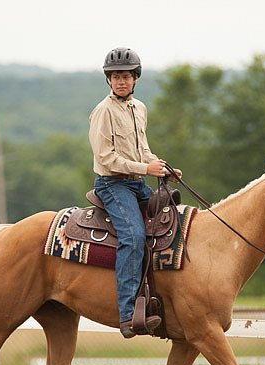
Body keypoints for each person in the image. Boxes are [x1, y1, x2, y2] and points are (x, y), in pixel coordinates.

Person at [89, 47, 181, 339]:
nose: (121, 82)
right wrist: (145, 168)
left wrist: (162, 167)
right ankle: (127, 314)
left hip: (136, 181)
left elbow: (143, 149)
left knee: (174, 218)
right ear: (109, 80)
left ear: (136, 78)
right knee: (134, 236)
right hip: (113, 185)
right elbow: (105, 158)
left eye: (126, 76)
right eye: (116, 77)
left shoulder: (139, 108)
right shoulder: (103, 112)